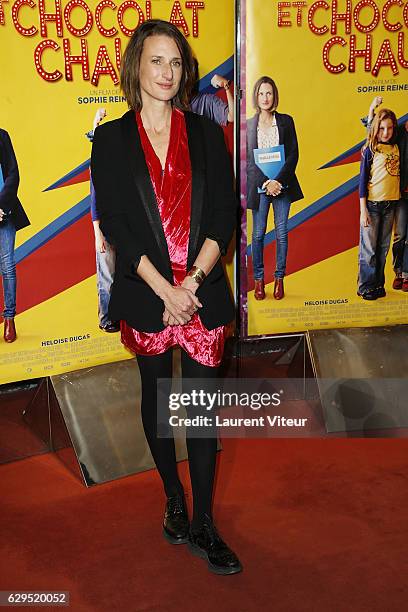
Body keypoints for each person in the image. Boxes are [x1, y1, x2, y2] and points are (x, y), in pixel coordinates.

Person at [91, 20, 241, 575]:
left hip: (199, 293)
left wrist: (192, 286)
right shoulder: (109, 139)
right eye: (156, 61)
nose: (166, 73)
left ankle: (204, 522)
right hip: (148, 294)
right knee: (158, 405)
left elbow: (223, 215)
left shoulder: (206, 134)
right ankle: (173, 498)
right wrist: (164, 291)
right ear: (137, 67)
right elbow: (117, 225)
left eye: (175, 62)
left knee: (200, 416)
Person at [247, 76, 303, 301]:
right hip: (260, 187)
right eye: (261, 93)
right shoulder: (249, 125)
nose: (265, 98)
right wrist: (266, 183)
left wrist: (278, 181)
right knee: (258, 235)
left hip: (283, 186)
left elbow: (293, 154)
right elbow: (249, 160)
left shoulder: (286, 121)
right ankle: (259, 280)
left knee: (281, 234)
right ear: (256, 97)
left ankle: (279, 279)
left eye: (269, 93)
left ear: (274, 96)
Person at [363, 97, 408, 292]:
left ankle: (401, 276)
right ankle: (396, 273)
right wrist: (372, 109)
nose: (386, 132)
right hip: (396, 195)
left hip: (392, 197)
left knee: (384, 244)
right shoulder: (399, 135)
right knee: (397, 237)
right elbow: (377, 131)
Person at [358, 108, 400, 300]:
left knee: (383, 248)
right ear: (376, 129)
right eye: (381, 128)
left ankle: (377, 284)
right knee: (369, 249)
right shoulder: (370, 150)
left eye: (389, 128)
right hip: (372, 206)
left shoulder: (396, 147)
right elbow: (362, 182)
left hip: (390, 205)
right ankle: (365, 286)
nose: (385, 133)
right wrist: (363, 211)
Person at [86, 109, 120, 333]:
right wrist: (98, 233)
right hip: (105, 229)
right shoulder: (97, 168)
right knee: (107, 277)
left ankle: (118, 314)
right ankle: (106, 318)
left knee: (121, 276)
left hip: (122, 227)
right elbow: (94, 201)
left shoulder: (119, 167)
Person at [0, 129, 30, 342]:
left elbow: (13, 172)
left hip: (4, 210)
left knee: (7, 266)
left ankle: (9, 318)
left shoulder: (2, 136)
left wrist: (0, 205)